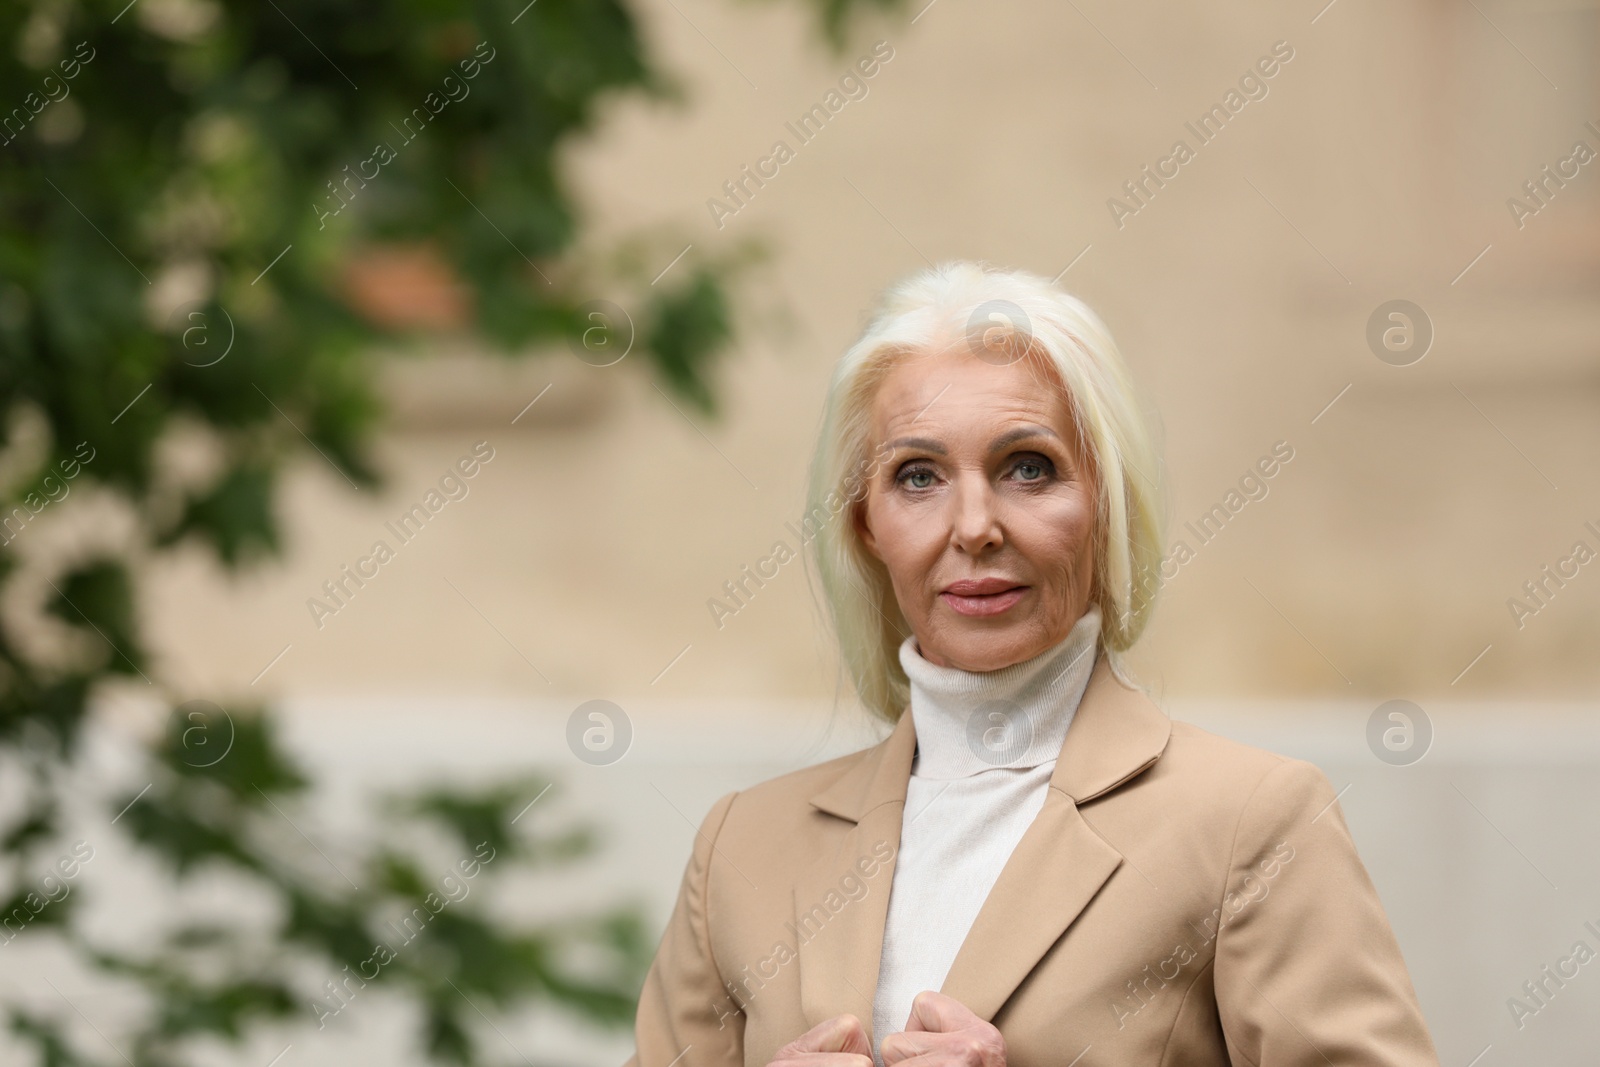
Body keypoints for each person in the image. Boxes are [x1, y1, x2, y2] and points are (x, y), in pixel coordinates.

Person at [626, 260, 1440, 1067]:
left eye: (1028, 467)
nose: (974, 525)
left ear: (1106, 501)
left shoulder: (1253, 822)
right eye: (918, 476)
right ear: (866, 527)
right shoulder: (742, 847)